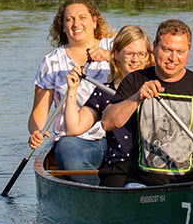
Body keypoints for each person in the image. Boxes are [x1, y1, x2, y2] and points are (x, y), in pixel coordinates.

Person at [99, 19, 193, 187]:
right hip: (142, 183)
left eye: (180, 51)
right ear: (155, 47)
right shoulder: (135, 81)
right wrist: (136, 97)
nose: (173, 58)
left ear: (189, 50)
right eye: (167, 50)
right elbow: (108, 123)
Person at [29, 0, 115, 169]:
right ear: (62, 26)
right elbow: (38, 113)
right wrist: (36, 132)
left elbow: (143, 68)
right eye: (69, 19)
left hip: (117, 135)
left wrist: (111, 57)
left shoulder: (115, 47)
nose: (76, 24)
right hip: (75, 141)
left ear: (94, 22)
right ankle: (95, 190)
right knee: (70, 157)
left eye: (82, 17)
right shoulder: (52, 61)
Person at [61, 25, 151, 182]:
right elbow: (73, 128)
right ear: (115, 55)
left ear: (148, 56)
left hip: (154, 167)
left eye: (141, 54)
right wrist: (72, 90)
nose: (136, 60)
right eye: (129, 53)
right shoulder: (104, 92)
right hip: (119, 169)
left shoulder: (158, 87)